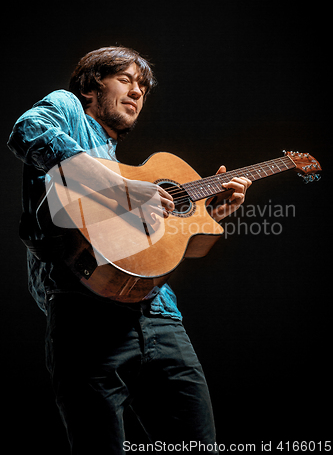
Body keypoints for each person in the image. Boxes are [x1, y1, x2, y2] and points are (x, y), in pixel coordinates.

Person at [7, 46, 251, 454]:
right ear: (91, 86)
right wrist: (121, 190)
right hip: (84, 317)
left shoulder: (118, 164)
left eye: (143, 87)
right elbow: (28, 130)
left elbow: (152, 249)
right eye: (126, 79)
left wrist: (209, 216)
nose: (137, 92)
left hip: (158, 315)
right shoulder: (68, 108)